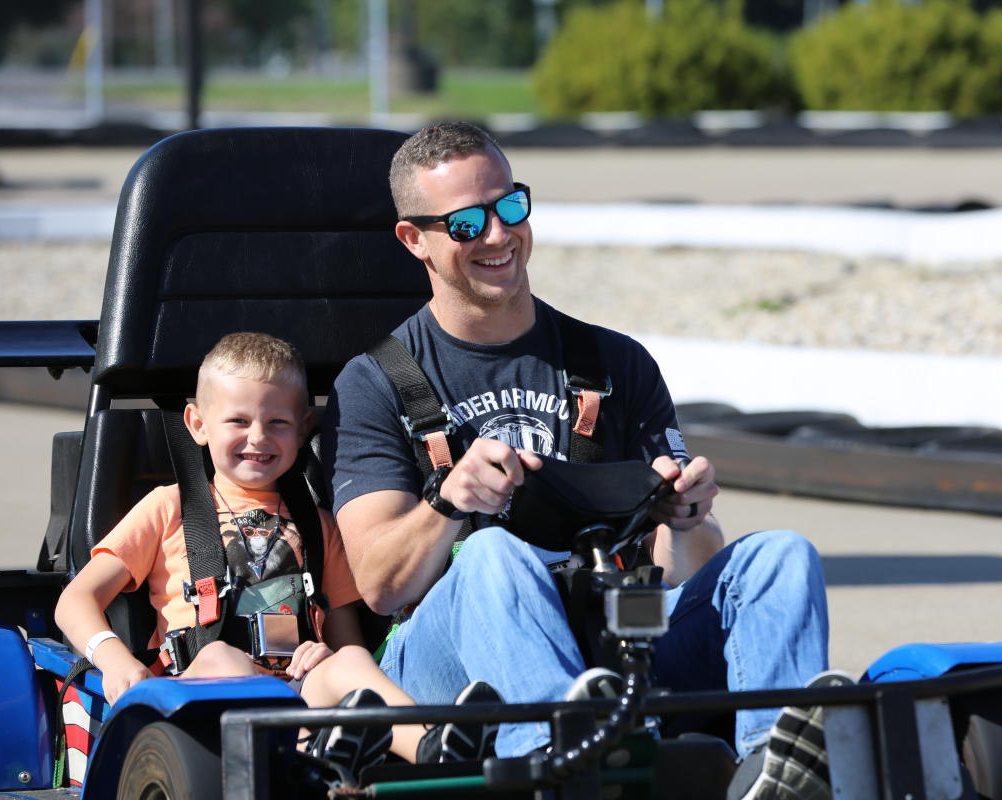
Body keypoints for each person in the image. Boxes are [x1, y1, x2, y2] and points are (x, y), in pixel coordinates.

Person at [322, 122, 831, 797]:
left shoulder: (614, 363)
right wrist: (449, 501)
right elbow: (383, 585)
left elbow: (686, 571)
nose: (499, 236)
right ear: (415, 240)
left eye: (510, 208)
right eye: (467, 224)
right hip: (452, 672)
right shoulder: (376, 382)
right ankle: (561, 765)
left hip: (612, 644)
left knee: (780, 556)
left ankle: (775, 770)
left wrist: (684, 517)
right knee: (492, 555)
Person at [55, 332, 499, 777]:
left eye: (278, 423)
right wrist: (114, 660)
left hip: (296, 694)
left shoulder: (321, 525)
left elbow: (346, 641)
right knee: (222, 659)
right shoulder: (168, 508)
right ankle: (310, 755)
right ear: (197, 424)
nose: (258, 437)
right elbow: (74, 601)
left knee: (351, 663)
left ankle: (434, 746)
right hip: (192, 698)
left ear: (304, 428)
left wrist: (323, 654)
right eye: (238, 421)